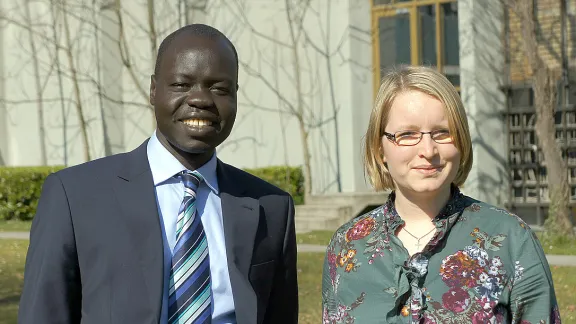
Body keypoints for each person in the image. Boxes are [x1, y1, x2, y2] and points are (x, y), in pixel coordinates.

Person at [18, 24, 298, 324]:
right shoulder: (74, 196)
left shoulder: (270, 206)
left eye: (219, 88)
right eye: (181, 85)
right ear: (154, 90)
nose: (201, 99)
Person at [321, 65, 561, 323]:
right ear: (380, 149)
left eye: (442, 133)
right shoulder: (347, 246)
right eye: (407, 134)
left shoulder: (511, 239)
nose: (428, 149)